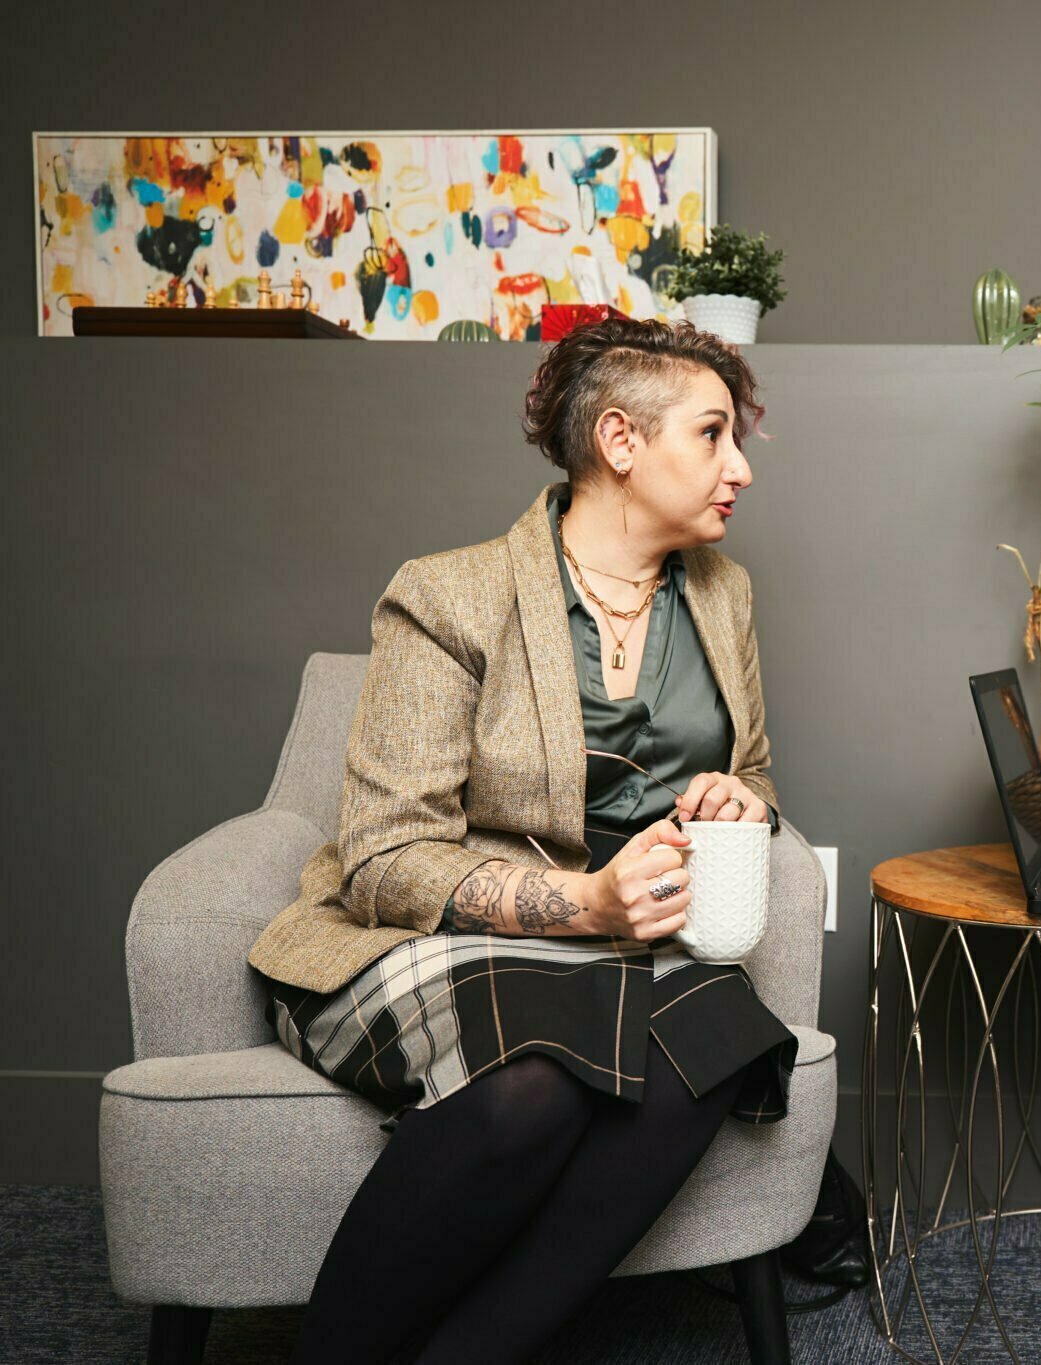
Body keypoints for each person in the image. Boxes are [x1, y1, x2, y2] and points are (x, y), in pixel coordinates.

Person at [248, 313, 798, 1363]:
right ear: (622, 443)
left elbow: (757, 773)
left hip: (629, 952)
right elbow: (383, 857)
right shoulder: (449, 594)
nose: (739, 470)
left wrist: (741, 801)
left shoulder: (722, 596)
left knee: (724, 1039)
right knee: (535, 1081)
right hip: (430, 941)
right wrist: (586, 904)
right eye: (714, 435)